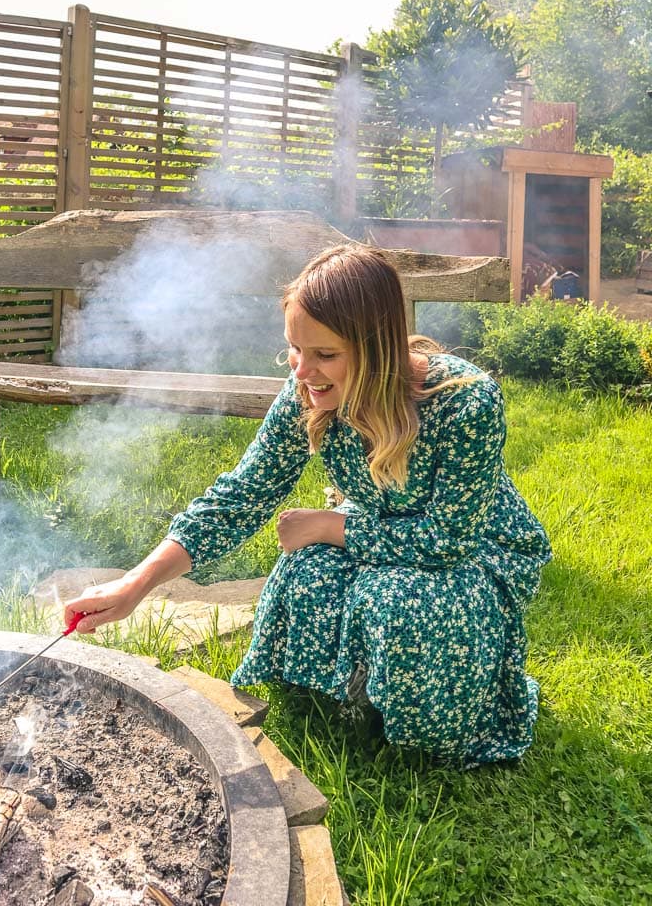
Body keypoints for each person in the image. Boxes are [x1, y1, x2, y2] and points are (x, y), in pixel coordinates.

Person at [64, 243, 552, 766]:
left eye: (325, 355)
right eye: (294, 349)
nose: (302, 371)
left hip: (476, 548)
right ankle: (349, 698)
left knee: (397, 600)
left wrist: (331, 526)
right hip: (387, 528)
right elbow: (243, 493)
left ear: (378, 348)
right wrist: (137, 583)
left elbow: (446, 541)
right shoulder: (307, 391)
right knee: (306, 573)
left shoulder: (465, 401)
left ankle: (444, 724)